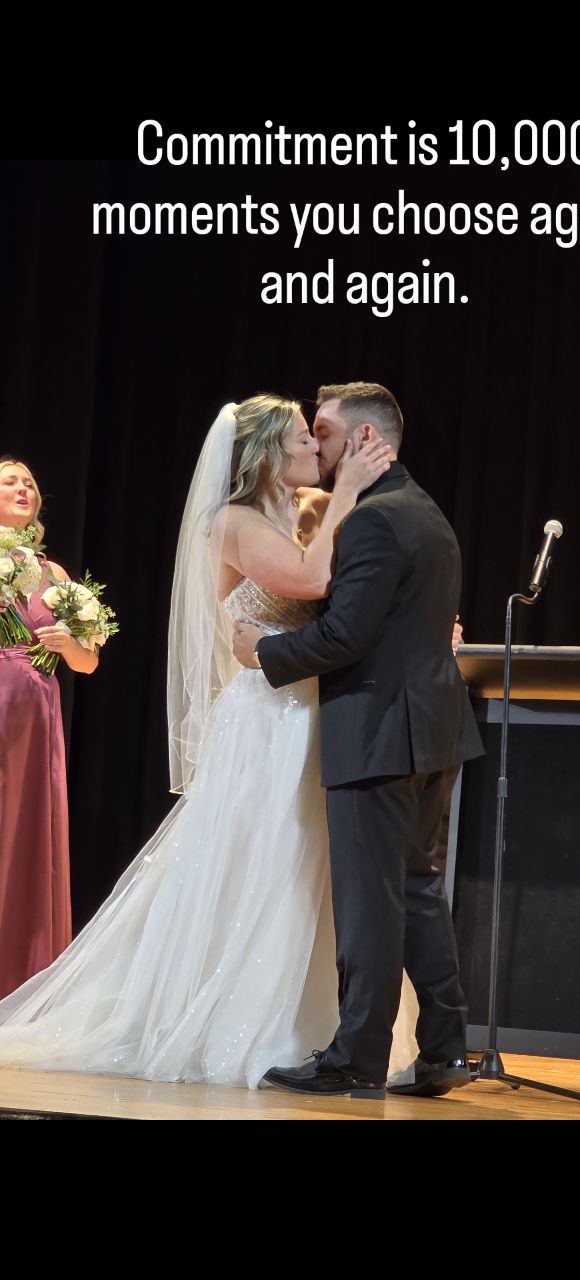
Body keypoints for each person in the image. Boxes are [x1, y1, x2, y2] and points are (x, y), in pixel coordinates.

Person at [0, 397, 419, 1087]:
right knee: (267, 863)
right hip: (267, 721)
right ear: (265, 455)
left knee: (309, 871)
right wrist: (346, 489)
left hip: (306, 712)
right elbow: (311, 580)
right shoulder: (234, 521)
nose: (318, 448)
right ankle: (243, 1020)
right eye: (302, 439)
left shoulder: (297, 513)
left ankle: (324, 1027)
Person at [233, 383, 483, 1099]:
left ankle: (356, 1059)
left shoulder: (375, 519)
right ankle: (442, 1050)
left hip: (380, 733)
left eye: (325, 432)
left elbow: (345, 636)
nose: (317, 446)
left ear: (367, 440)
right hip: (428, 732)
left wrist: (263, 650)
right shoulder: (425, 510)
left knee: (372, 904)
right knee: (417, 892)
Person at [0, 458, 98, 1000]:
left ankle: (19, 976)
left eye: (30, 483)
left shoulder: (56, 575)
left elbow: (87, 664)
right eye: (10, 481)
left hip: (37, 716)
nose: (23, 488)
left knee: (28, 836)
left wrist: (69, 644)